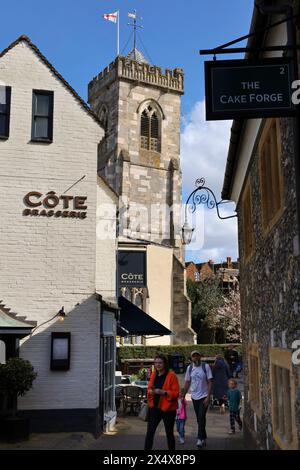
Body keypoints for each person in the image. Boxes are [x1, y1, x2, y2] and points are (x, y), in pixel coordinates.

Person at [144, 354, 180, 450]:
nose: (157, 365)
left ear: (165, 364)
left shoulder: (171, 376)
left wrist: (162, 392)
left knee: (169, 434)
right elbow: (149, 388)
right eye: (156, 363)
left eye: (160, 363)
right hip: (154, 408)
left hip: (168, 409)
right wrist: (150, 391)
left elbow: (176, 393)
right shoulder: (154, 374)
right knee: (150, 433)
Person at [183, 350, 213, 448]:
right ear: (191, 358)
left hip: (204, 396)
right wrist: (183, 395)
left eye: (197, 356)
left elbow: (210, 382)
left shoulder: (205, 366)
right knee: (199, 418)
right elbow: (187, 382)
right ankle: (203, 437)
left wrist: (208, 396)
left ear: (200, 357)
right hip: (194, 396)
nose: (196, 358)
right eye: (194, 356)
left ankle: (199, 438)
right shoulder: (189, 368)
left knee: (201, 416)